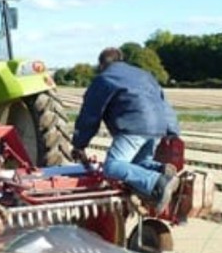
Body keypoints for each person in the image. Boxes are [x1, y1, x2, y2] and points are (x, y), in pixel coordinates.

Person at [72, 47, 181, 214]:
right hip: (158, 127)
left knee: (112, 167)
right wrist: (172, 132)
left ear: (101, 65)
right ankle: (161, 170)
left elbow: (90, 115)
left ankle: (156, 182)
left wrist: (79, 144)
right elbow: (164, 102)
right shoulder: (145, 75)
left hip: (134, 127)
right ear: (121, 60)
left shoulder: (105, 79)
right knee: (138, 165)